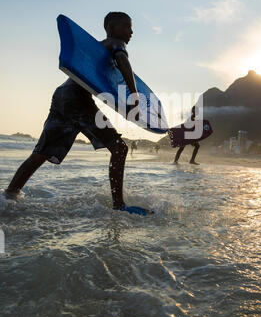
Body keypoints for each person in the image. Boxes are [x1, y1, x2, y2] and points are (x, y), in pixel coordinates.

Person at [4, 12, 151, 215]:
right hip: (77, 99)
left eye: (131, 27)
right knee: (119, 149)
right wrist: (135, 97)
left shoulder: (98, 48)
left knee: (42, 152)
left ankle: (9, 196)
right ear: (111, 27)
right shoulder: (115, 43)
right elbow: (123, 61)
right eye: (126, 26)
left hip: (63, 96)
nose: (131, 31)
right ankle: (118, 205)